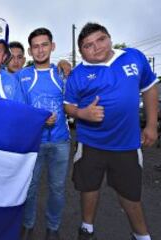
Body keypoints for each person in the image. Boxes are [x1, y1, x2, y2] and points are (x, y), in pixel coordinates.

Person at [64, 22, 159, 240]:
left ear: (110, 38)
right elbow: (68, 105)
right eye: (88, 45)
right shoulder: (77, 74)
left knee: (130, 194)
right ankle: (86, 228)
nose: (96, 47)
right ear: (81, 52)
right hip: (90, 143)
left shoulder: (133, 57)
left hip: (126, 144)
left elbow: (149, 88)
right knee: (88, 187)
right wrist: (83, 114)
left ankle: (141, 235)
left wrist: (152, 125)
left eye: (101, 39)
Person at [17, 28, 70, 240]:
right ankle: (28, 225)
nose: (40, 50)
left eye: (44, 45)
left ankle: (53, 227)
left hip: (60, 142)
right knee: (29, 188)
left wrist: (66, 63)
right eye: (35, 46)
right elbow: (19, 110)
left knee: (57, 189)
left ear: (52, 46)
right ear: (30, 51)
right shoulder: (22, 76)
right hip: (34, 142)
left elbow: (72, 103)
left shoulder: (62, 73)